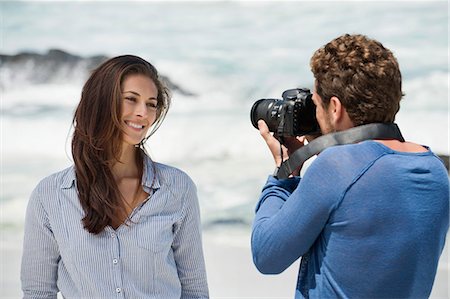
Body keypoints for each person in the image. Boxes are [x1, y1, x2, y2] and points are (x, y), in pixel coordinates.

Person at [251, 34, 449, 298]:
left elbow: (267, 255)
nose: (315, 112)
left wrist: (284, 173)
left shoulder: (337, 167)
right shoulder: (435, 170)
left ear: (335, 108)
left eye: (317, 104)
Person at [21, 55, 209, 298]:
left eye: (151, 104)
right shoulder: (50, 196)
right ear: (101, 102)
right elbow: (38, 292)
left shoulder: (177, 188)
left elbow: (194, 290)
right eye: (131, 99)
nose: (143, 112)